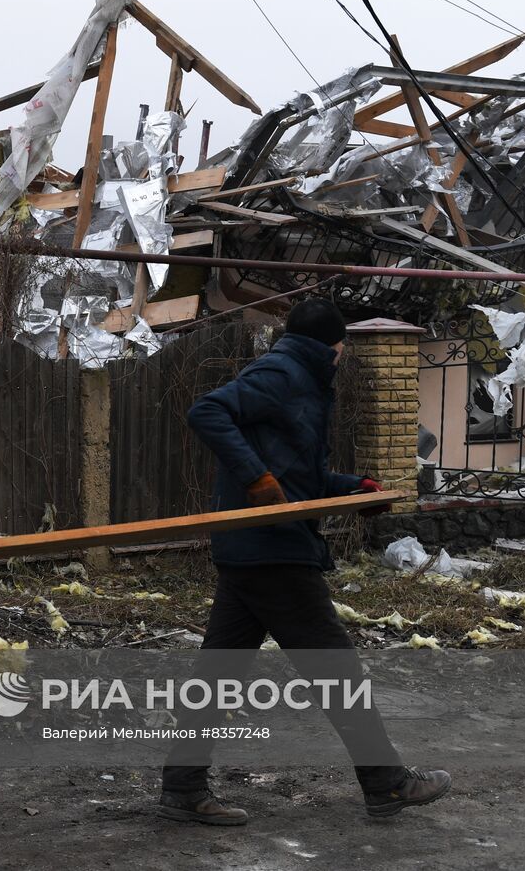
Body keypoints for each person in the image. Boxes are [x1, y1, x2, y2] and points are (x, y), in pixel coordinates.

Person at [158, 298, 451, 825]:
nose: (342, 357)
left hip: (257, 546)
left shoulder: (301, 379)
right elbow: (208, 411)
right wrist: (254, 478)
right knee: (335, 670)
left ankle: (182, 787)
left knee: (218, 675)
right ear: (331, 346)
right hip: (273, 548)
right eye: (342, 348)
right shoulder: (282, 371)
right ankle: (385, 784)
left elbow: (297, 479)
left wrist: (356, 490)